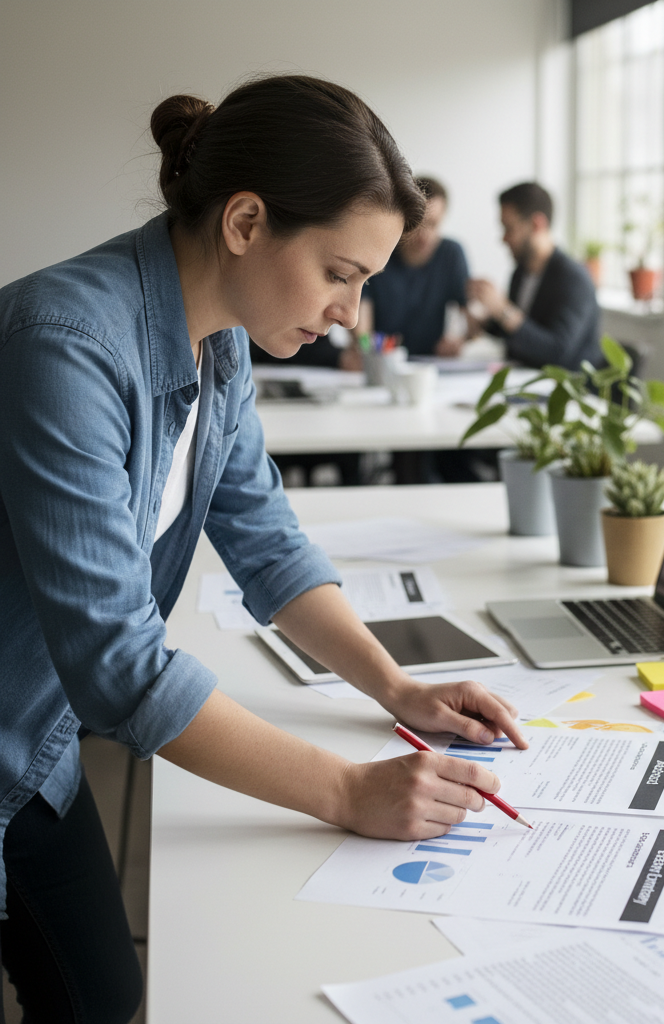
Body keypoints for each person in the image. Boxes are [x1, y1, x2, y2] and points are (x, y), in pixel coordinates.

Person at [0, 75, 525, 1024]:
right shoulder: (65, 342)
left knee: (101, 1001)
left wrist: (396, 689)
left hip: (30, 741)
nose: (350, 314)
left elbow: (268, 545)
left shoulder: (223, 346)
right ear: (245, 222)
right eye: (339, 273)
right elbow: (120, 667)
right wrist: (347, 792)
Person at [467, 182, 602, 370]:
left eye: (509, 228)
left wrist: (502, 309)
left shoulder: (574, 279)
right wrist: (485, 320)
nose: (503, 238)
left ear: (536, 224)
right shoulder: (521, 273)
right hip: (523, 380)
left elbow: (557, 351)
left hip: (563, 391)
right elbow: (521, 334)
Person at [353, 175, 470, 359]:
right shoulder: (380, 251)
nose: (425, 235)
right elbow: (361, 324)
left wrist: (458, 341)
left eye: (434, 224)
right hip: (384, 360)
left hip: (432, 362)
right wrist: (365, 350)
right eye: (419, 224)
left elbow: (468, 315)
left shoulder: (451, 253)